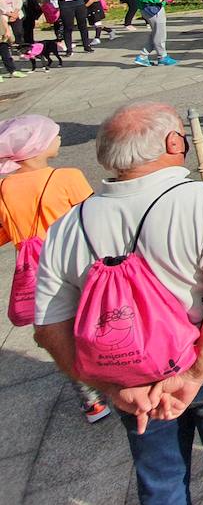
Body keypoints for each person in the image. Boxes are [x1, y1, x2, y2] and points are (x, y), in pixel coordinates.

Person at [33, 102, 203, 504]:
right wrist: (194, 373)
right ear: (175, 142)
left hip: (128, 374)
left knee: (159, 482)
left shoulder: (67, 227)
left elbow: (48, 329)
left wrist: (110, 388)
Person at [0, 116, 107, 422]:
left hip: (38, 273)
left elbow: (4, 233)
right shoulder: (67, 177)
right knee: (96, 320)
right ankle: (116, 370)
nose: (59, 138)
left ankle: (91, 400)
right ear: (37, 147)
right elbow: (93, 217)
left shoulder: (5, 188)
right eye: (54, 135)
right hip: (77, 263)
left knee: (61, 331)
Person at [131, 0, 177, 67]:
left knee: (156, 33)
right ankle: (162, 57)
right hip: (151, 9)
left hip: (156, 7)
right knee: (160, 34)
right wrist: (156, 0)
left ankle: (143, 56)